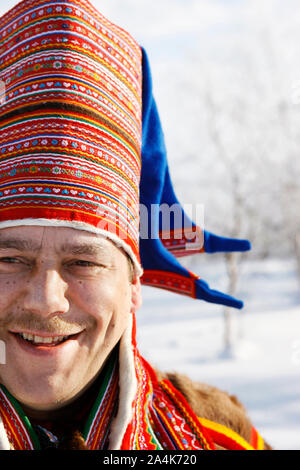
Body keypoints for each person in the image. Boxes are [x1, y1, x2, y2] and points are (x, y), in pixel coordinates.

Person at [0, 0, 271, 450]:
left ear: (133, 284)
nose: (46, 300)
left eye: (84, 261)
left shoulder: (218, 434)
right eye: (9, 258)